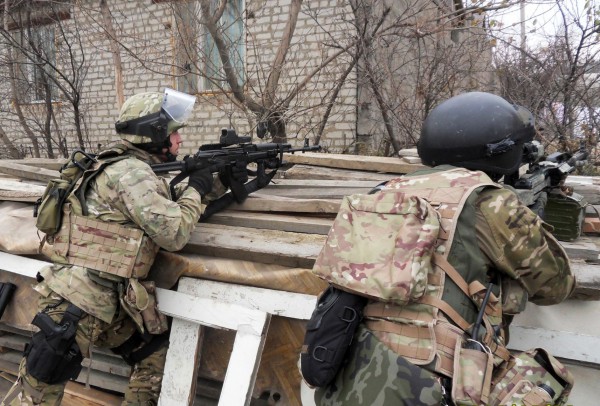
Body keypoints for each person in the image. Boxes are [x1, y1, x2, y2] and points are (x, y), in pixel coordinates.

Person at [313, 92, 575, 405]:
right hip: (432, 384)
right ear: (500, 153)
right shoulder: (490, 203)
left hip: (354, 373)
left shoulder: (384, 193)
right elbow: (556, 286)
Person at [2, 88, 246, 406]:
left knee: (153, 359)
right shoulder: (131, 174)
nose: (180, 141)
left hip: (114, 302)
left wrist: (218, 183)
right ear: (153, 135)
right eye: (175, 133)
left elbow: (163, 208)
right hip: (80, 303)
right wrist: (198, 187)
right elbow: (173, 232)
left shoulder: (125, 167)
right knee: (39, 392)